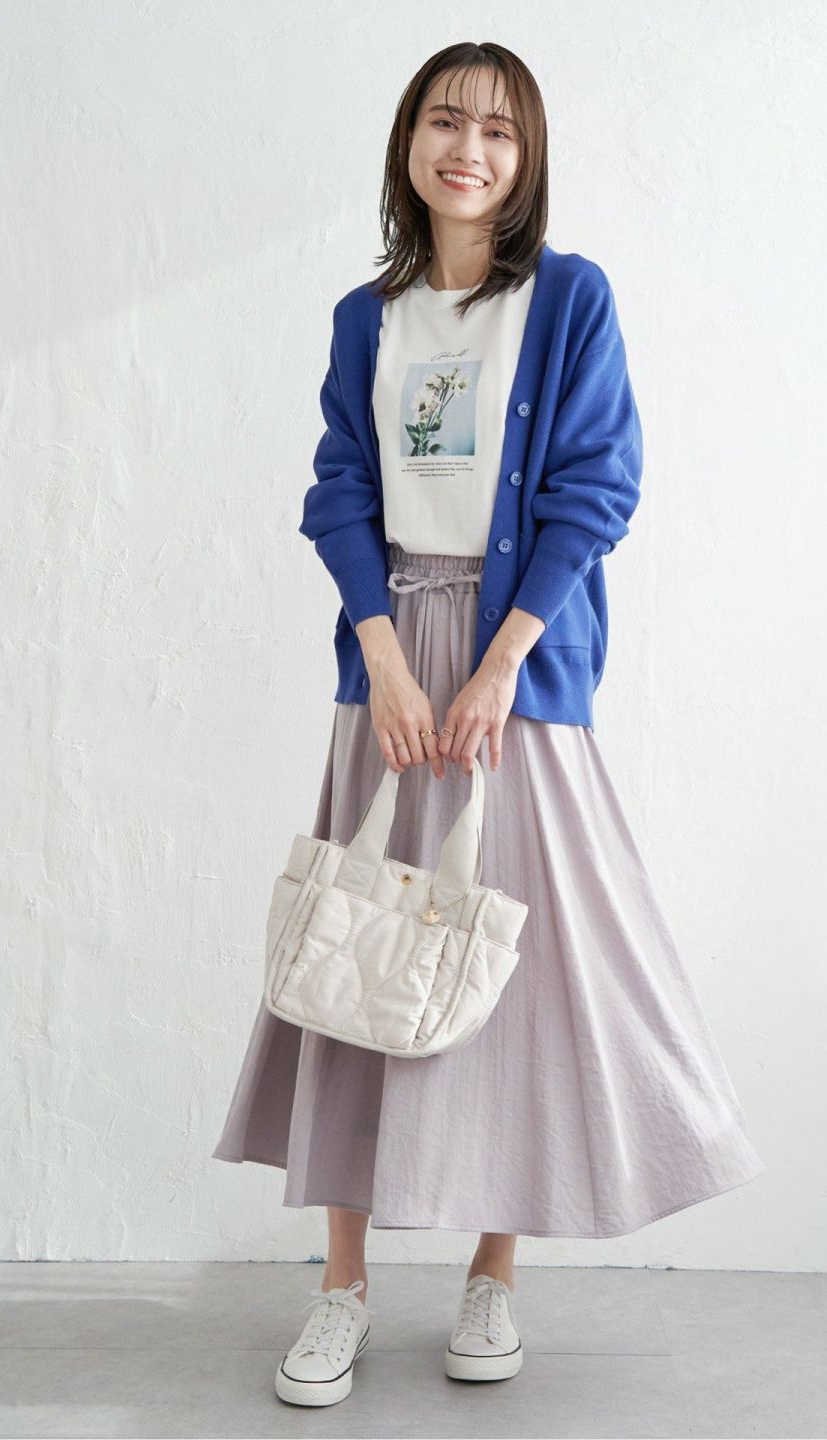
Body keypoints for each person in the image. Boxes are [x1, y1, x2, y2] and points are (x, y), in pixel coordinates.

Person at [212, 41, 767, 1408]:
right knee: (357, 944)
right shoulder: (368, 317)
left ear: (528, 161)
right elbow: (341, 489)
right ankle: (342, 1286)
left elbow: (598, 483)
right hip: (391, 664)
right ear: (410, 142)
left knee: (516, 964)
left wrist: (503, 661)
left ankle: (492, 1275)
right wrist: (384, 658)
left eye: (500, 131)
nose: (470, 148)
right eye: (447, 121)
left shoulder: (569, 300)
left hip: (519, 667)